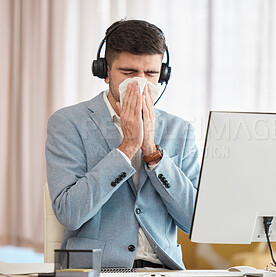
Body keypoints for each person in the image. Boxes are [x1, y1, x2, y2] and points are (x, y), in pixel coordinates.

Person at [45, 19, 200, 270]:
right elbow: (69, 214)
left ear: (164, 73)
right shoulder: (67, 122)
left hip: (162, 268)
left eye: (151, 74)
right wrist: (127, 147)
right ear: (105, 72)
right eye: (128, 73)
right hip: (94, 268)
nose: (141, 83)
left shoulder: (180, 130)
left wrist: (152, 152)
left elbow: (195, 222)